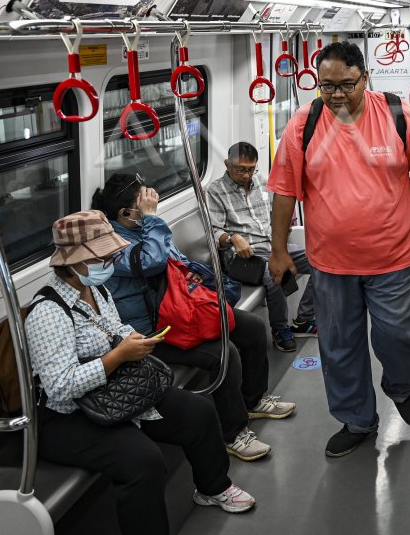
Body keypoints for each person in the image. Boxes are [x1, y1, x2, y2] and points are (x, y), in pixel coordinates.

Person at [27, 211, 255, 535]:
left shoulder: (97, 291)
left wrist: (130, 339)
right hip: (69, 415)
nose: (111, 260)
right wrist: (117, 357)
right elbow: (60, 387)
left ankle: (213, 487)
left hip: (114, 388)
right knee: (143, 462)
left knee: (198, 412)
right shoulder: (47, 312)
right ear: (76, 261)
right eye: (105, 256)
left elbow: (113, 327)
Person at [267, 40, 410, 458]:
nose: (337, 95)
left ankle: (401, 387)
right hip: (330, 263)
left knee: (399, 337)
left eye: (346, 84)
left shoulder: (398, 115)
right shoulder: (302, 125)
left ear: (365, 77)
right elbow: (283, 191)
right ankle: (358, 420)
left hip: (393, 257)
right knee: (339, 345)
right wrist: (278, 250)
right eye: (327, 86)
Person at [94, 174, 295, 462]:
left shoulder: (144, 229)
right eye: (144, 206)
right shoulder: (110, 244)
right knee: (223, 353)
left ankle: (255, 400)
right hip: (150, 332)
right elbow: (150, 261)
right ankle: (233, 434)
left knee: (251, 327)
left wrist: (194, 272)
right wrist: (152, 218)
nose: (152, 210)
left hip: (179, 312)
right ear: (125, 214)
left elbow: (173, 259)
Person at [207, 142, 317, 353]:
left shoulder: (262, 181)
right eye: (240, 169)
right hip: (244, 256)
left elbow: (277, 212)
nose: (246, 175)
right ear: (227, 164)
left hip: (273, 245)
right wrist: (233, 238)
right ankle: (280, 329)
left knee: (320, 262)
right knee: (274, 275)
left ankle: (303, 319)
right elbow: (214, 231)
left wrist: (282, 232)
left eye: (251, 169)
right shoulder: (216, 191)